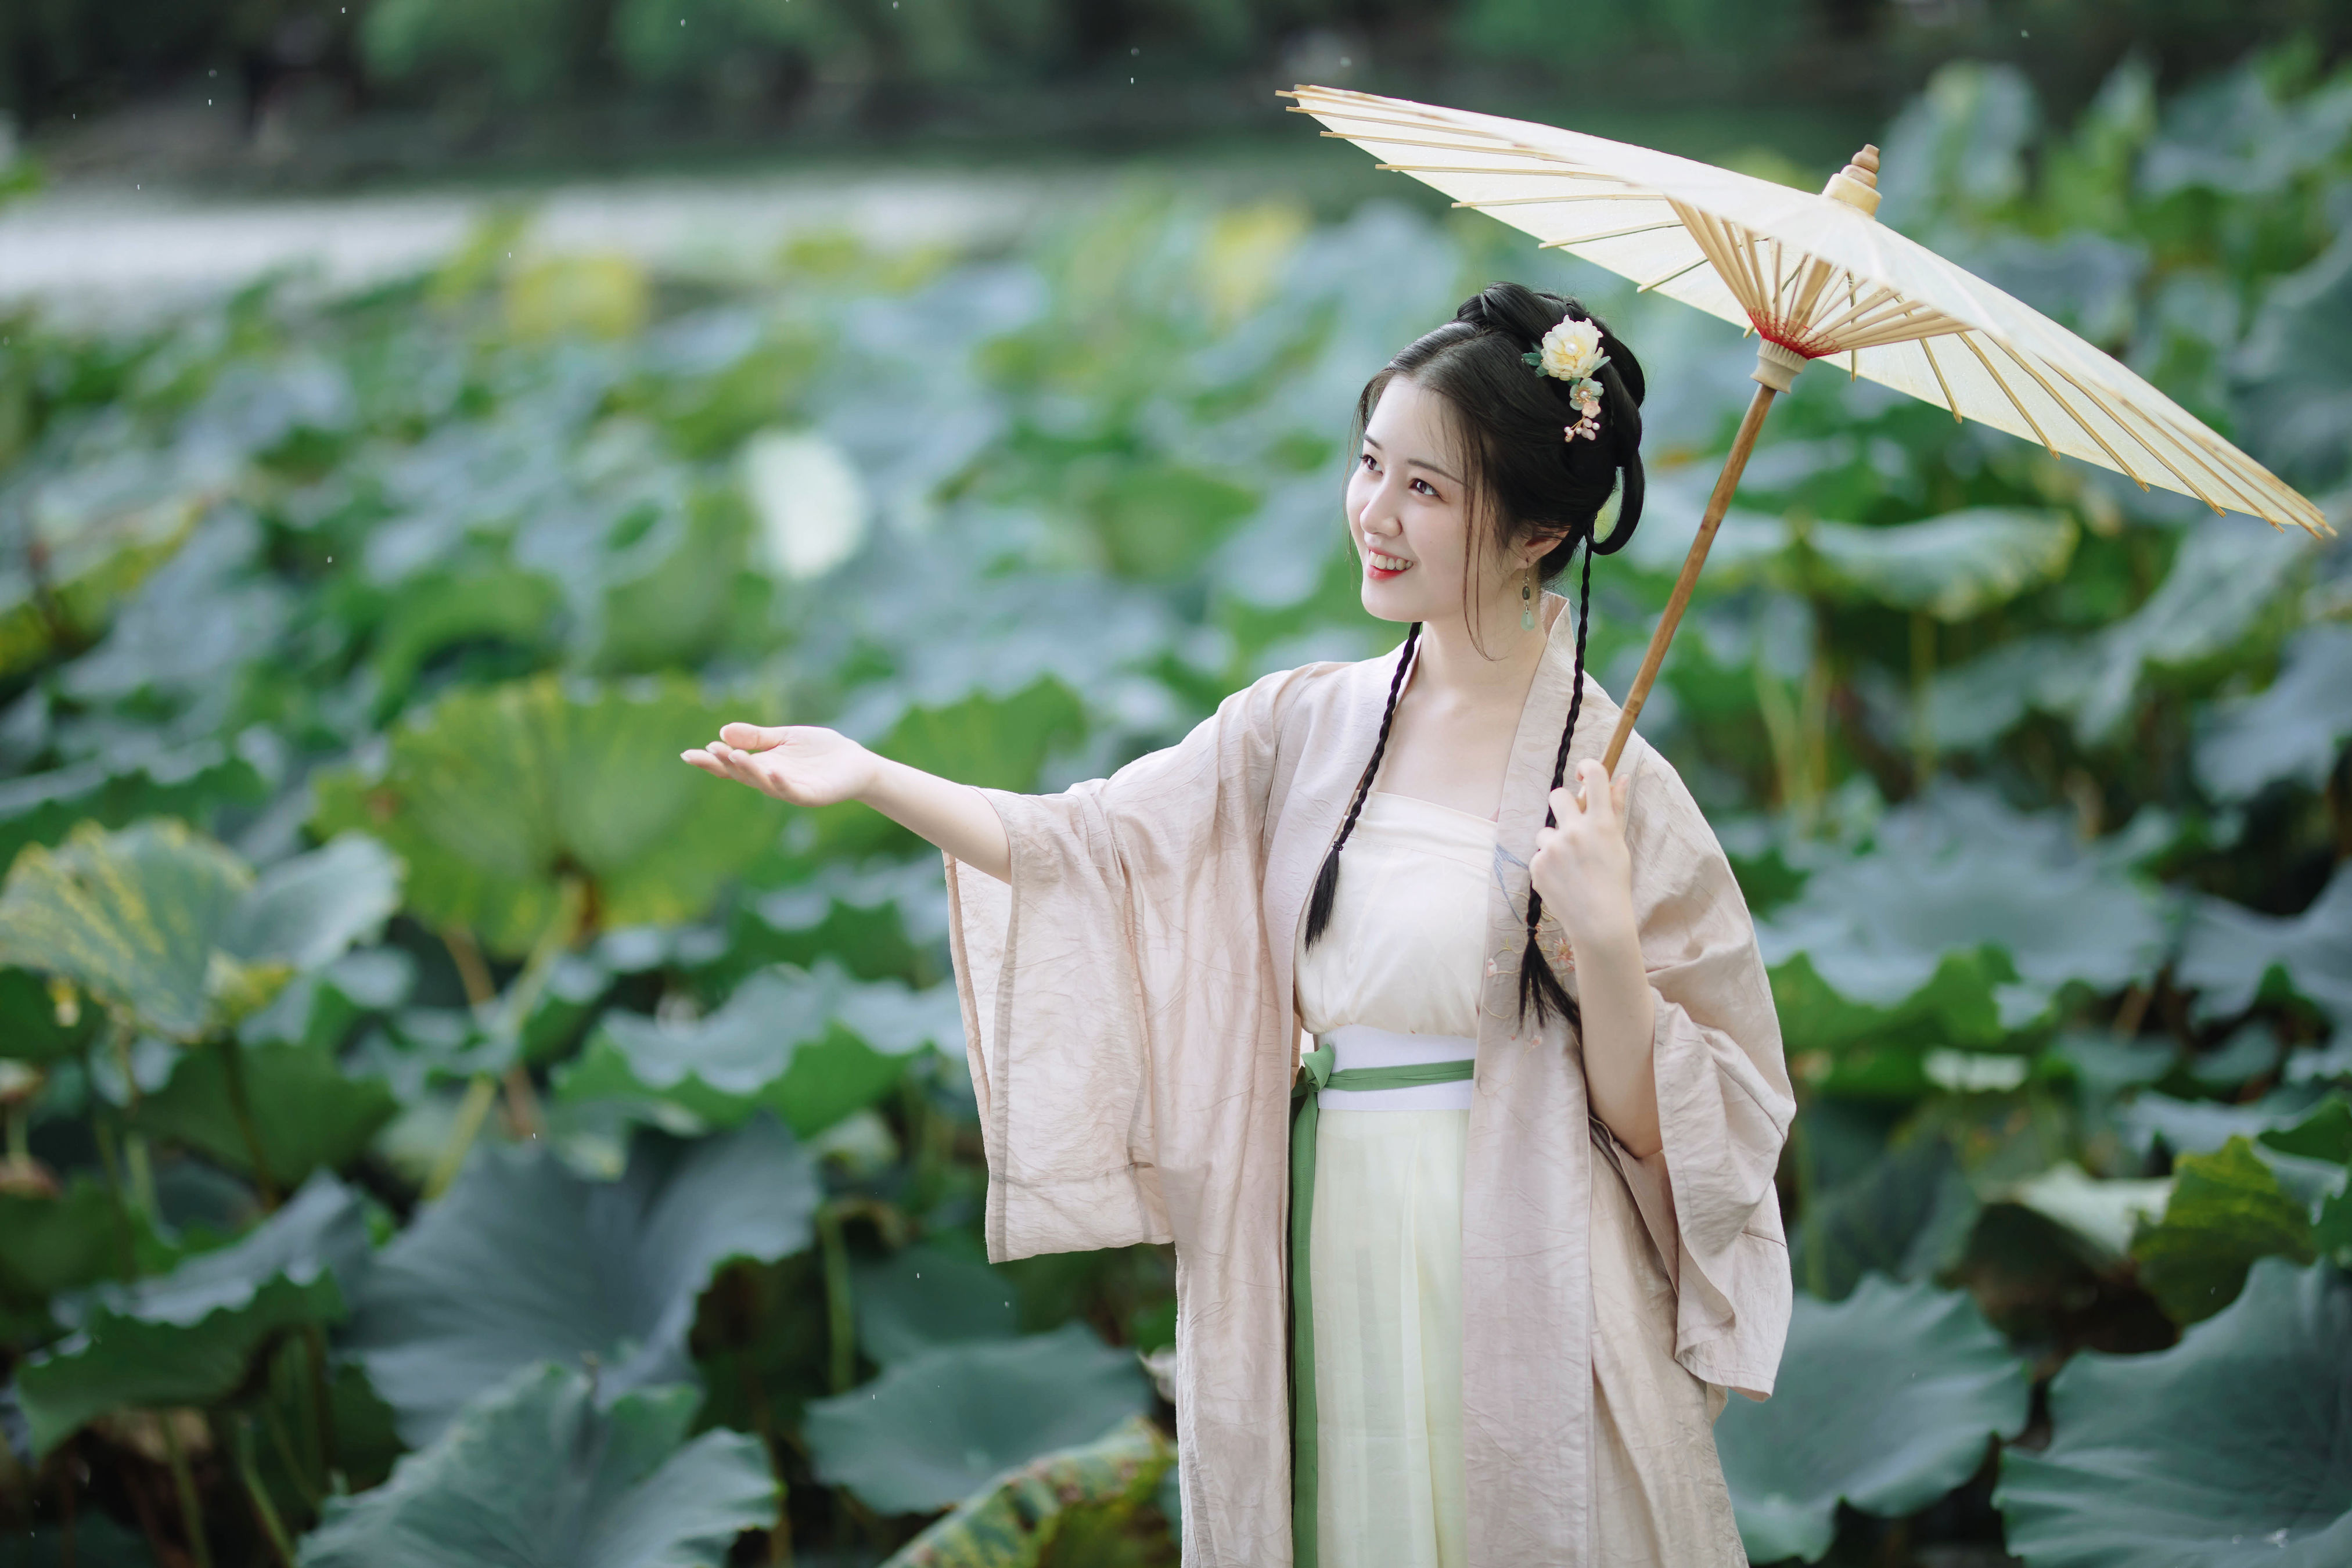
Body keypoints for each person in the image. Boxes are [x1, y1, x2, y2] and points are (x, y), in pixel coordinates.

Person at [682, 282, 1794, 1568]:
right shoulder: (1300, 724)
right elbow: (1089, 845)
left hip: (1519, 1255)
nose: (1375, 515)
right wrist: (873, 774)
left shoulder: (1614, 780)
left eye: (1428, 491)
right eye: (1371, 464)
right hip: (1323, 1235)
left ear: (1541, 530)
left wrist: (1603, 934)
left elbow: (1675, 1126)